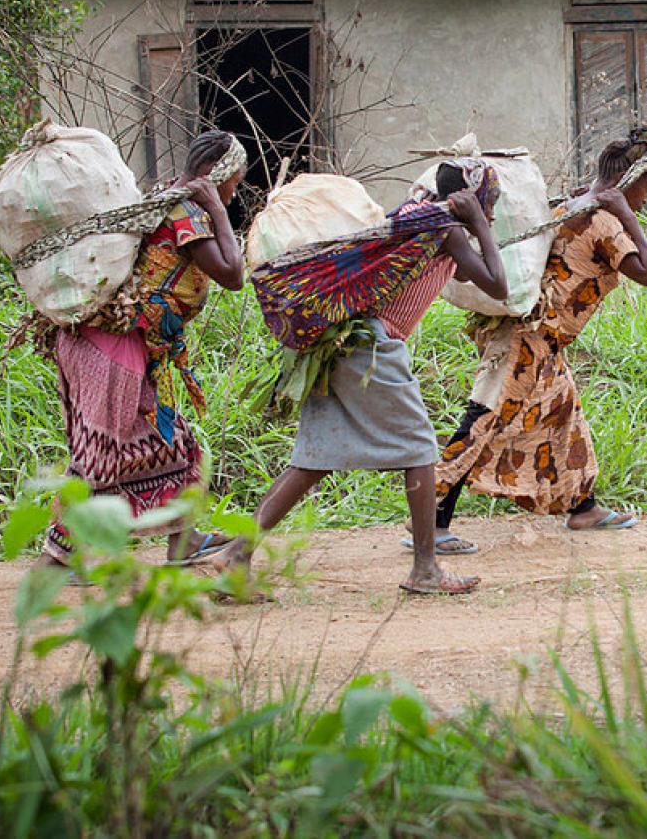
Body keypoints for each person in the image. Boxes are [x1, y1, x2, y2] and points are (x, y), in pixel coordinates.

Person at [215, 158, 507, 595]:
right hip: (371, 344)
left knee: (314, 457)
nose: (494, 213)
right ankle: (425, 569)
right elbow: (498, 285)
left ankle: (236, 555)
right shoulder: (443, 227)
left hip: (340, 338)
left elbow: (466, 270)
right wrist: (477, 226)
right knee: (420, 448)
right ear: (472, 198)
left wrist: (472, 226)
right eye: (492, 202)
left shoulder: (421, 218)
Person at [425, 128, 647, 554]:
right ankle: (431, 522)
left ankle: (583, 506)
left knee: (562, 413)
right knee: (483, 420)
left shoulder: (569, 204)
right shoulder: (605, 221)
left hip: (540, 338)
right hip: (529, 340)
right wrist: (627, 217)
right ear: (629, 181)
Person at [39, 131, 248, 570]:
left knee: (176, 446)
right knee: (101, 452)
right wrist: (216, 209)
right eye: (235, 183)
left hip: (117, 346)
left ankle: (184, 541)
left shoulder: (167, 198)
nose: (234, 193)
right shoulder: (188, 211)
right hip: (112, 348)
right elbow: (233, 274)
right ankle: (57, 560)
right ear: (219, 176)